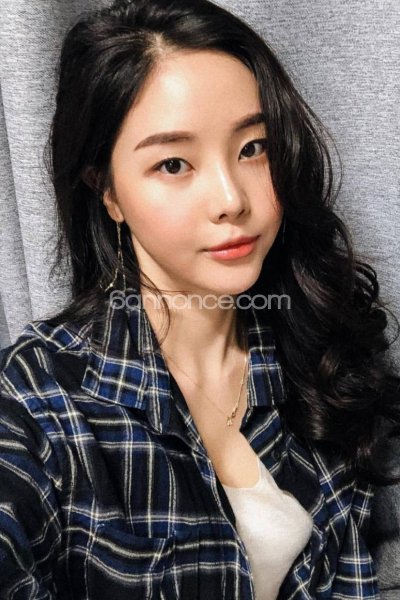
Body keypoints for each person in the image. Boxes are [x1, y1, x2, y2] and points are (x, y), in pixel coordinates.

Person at [0, 0, 399, 598]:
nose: (231, 199)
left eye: (253, 148)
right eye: (173, 163)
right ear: (107, 191)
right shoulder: (37, 402)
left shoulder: (317, 350)